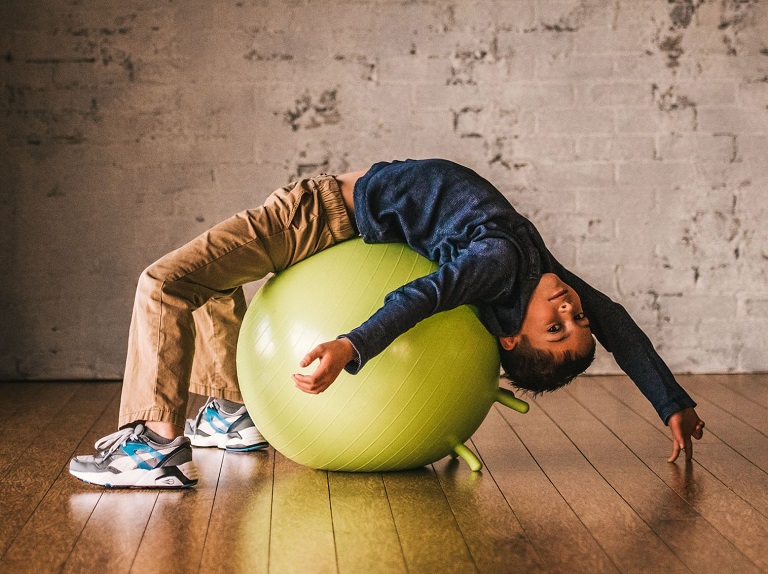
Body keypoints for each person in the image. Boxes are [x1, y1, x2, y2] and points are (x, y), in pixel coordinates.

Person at [69, 158, 705, 488]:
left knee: (165, 283)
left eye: (557, 329)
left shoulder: (500, 261)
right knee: (212, 280)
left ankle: (151, 442)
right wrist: (670, 401)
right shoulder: (536, 268)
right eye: (576, 317)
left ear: (511, 337)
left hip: (314, 219)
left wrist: (352, 346)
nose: (570, 308)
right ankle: (234, 415)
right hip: (329, 223)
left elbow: (423, 295)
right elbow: (618, 321)